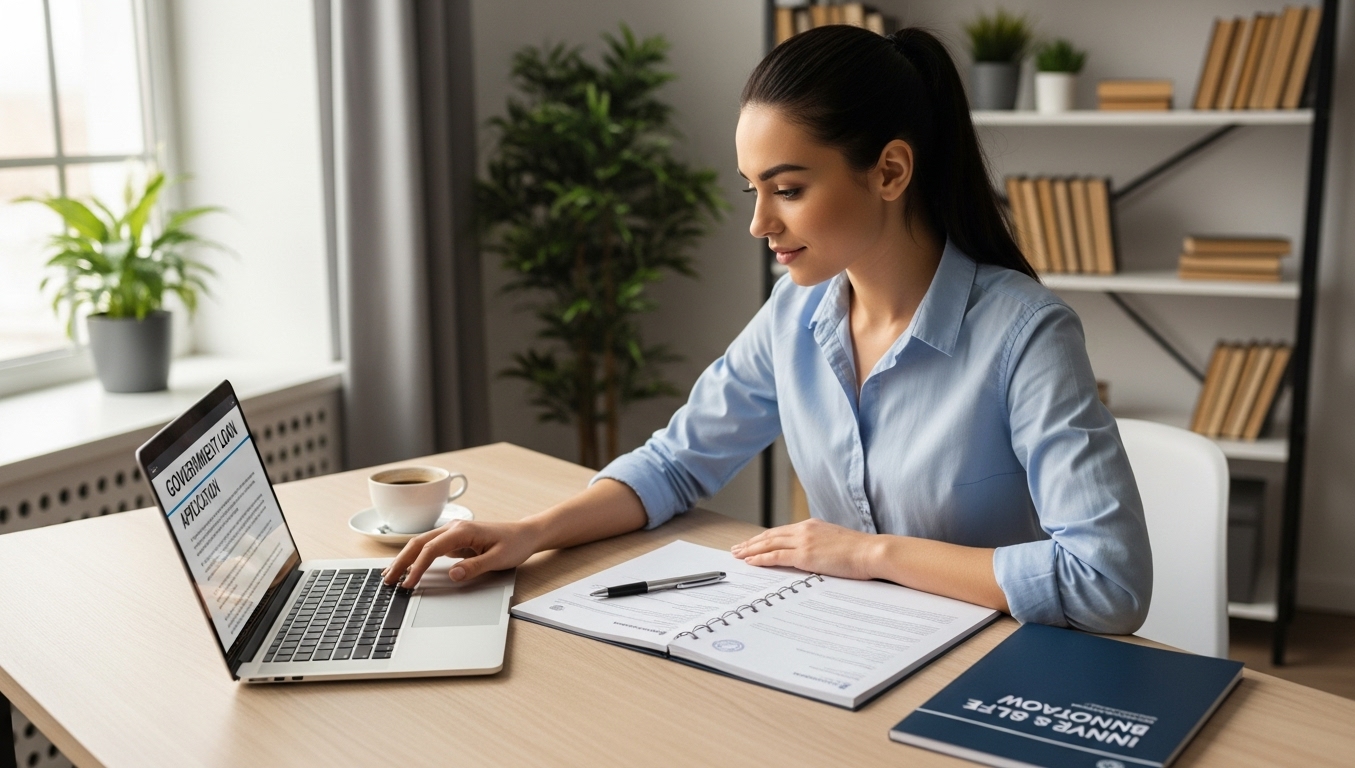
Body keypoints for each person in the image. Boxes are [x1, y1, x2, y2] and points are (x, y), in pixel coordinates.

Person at [384, 25, 1152, 634]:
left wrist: (866, 553)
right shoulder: (797, 314)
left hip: (987, 664)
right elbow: (677, 466)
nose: (759, 223)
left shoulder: (1025, 334)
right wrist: (529, 533)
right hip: (850, 644)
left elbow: (1108, 581)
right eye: (753, 190)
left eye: (787, 188)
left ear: (889, 172)